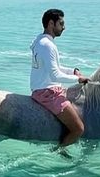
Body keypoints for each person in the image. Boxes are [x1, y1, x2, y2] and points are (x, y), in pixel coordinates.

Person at [30, 8, 89, 147]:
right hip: (48, 93)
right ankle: (59, 151)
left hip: (42, 88)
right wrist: (78, 79)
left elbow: (54, 67)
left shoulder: (40, 40)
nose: (64, 27)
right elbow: (55, 75)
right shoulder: (48, 46)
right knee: (79, 129)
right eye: (61, 24)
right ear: (51, 24)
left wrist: (73, 71)